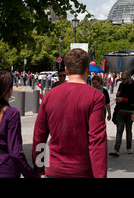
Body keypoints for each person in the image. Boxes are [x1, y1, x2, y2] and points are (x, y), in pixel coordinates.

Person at [32, 48, 107, 178]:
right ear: (88, 70)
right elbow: (97, 141)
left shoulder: (50, 96)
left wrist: (39, 169)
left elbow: (39, 137)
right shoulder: (95, 96)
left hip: (55, 170)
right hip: (83, 170)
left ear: (66, 70)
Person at [110, 71, 134, 157]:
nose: (123, 80)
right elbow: (118, 95)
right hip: (120, 111)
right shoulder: (121, 85)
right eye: (122, 79)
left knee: (128, 130)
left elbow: (133, 100)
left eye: (124, 79)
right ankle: (116, 149)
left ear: (129, 78)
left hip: (129, 111)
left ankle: (129, 147)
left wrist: (123, 99)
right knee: (119, 130)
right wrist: (118, 96)